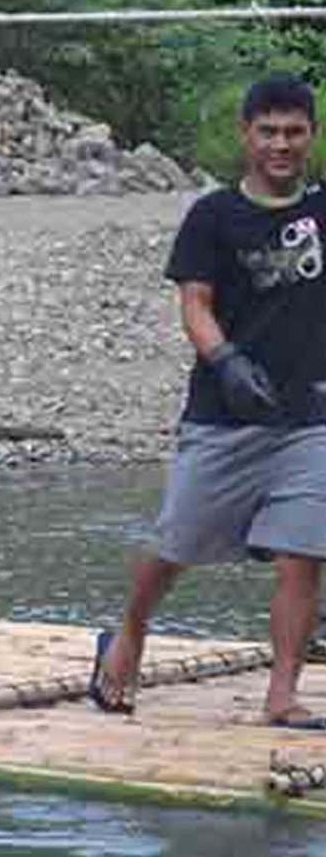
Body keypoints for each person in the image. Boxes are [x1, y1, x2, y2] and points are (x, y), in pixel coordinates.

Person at [91, 74, 325, 727]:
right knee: (177, 546)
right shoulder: (214, 216)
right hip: (225, 418)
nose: (281, 144)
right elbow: (195, 304)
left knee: (305, 554)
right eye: (268, 131)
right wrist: (224, 360)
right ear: (246, 135)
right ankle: (131, 632)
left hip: (309, 420)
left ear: (311, 135)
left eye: (294, 131)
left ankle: (282, 693)